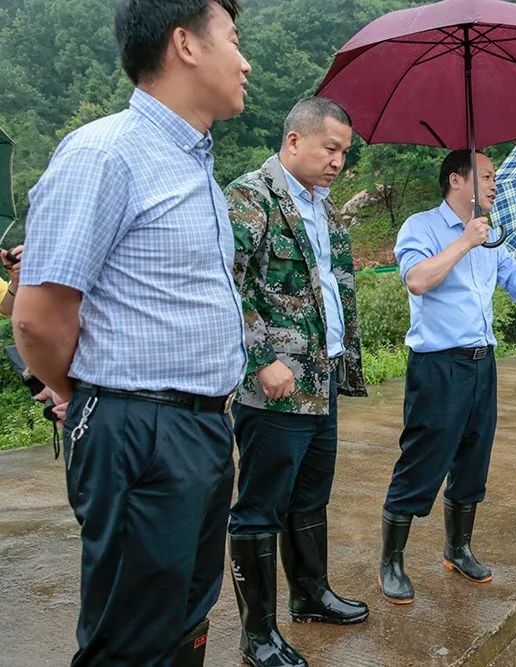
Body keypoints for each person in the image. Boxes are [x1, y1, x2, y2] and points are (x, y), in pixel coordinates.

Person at [12, 1, 251, 664]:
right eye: (234, 38)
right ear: (186, 44)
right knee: (133, 642)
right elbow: (37, 316)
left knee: (186, 622)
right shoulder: (105, 153)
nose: (246, 60)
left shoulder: (193, 165)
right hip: (142, 429)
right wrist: (93, 397)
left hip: (201, 426)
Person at [378, 150, 516, 605]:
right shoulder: (422, 226)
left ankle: (459, 548)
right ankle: (392, 561)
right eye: (487, 176)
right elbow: (416, 280)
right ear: (457, 180)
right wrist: (464, 242)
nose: (494, 185)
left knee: (474, 457)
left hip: (480, 363)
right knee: (423, 458)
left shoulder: (490, 235)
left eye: (495, 178)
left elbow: (515, 279)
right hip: (438, 366)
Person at [225, 97, 368, 667]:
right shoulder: (251, 197)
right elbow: (225, 283)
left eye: (344, 153)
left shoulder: (325, 209)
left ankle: (310, 596)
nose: (337, 161)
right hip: (275, 386)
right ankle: (257, 633)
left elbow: (333, 289)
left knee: (310, 496)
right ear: (293, 141)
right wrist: (261, 357)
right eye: (330, 148)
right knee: (260, 507)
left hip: (320, 377)